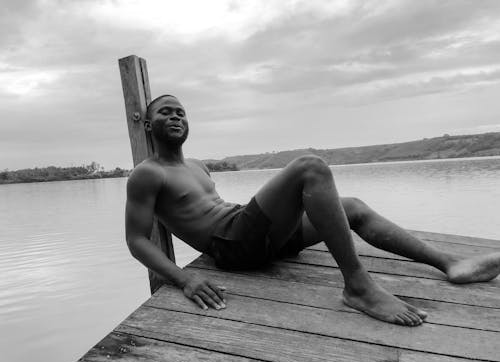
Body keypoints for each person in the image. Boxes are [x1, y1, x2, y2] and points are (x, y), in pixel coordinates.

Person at [125, 94, 500, 327]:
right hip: (232, 245)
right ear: (148, 124)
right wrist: (184, 278)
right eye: (165, 113)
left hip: (251, 235)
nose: (175, 117)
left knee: (350, 207)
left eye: (181, 112)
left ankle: (449, 263)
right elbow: (137, 239)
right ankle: (358, 286)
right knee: (310, 166)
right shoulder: (147, 174)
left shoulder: (198, 165)